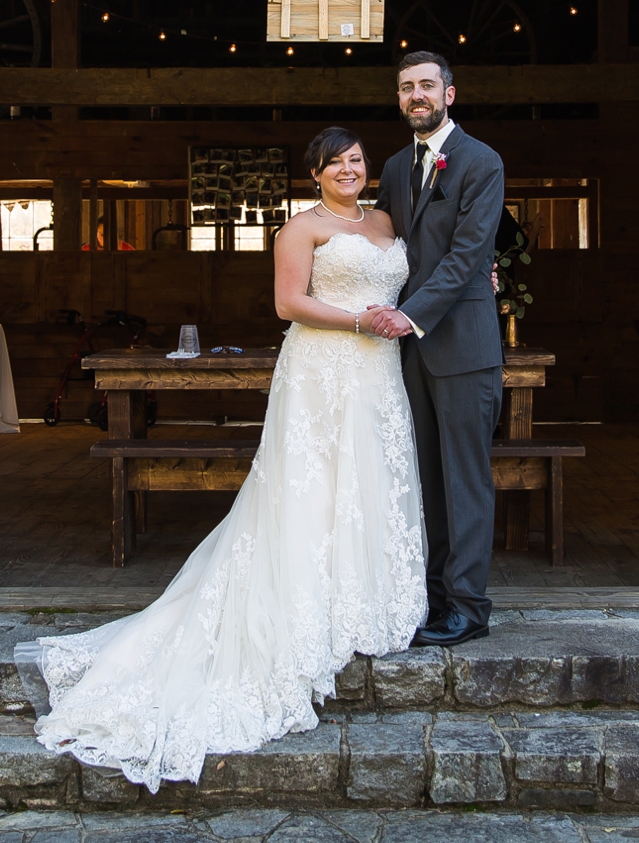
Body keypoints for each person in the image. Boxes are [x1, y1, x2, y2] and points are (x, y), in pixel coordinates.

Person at [28, 128, 426, 792]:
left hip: (381, 373)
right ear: (315, 174)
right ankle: (305, 603)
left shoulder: (387, 221)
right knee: (313, 483)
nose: (348, 170)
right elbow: (287, 303)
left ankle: (369, 594)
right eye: (334, 163)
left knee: (372, 477)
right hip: (326, 365)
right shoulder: (301, 229)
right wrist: (361, 320)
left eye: (355, 160)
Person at [367, 50, 505, 648]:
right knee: (422, 476)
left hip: (464, 346)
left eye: (427, 85)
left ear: (450, 93)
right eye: (406, 88)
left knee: (465, 478)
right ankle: (431, 596)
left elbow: (468, 256)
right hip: (409, 355)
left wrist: (407, 315)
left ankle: (469, 607)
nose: (415, 95)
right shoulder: (396, 167)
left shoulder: (481, 162)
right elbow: (380, 242)